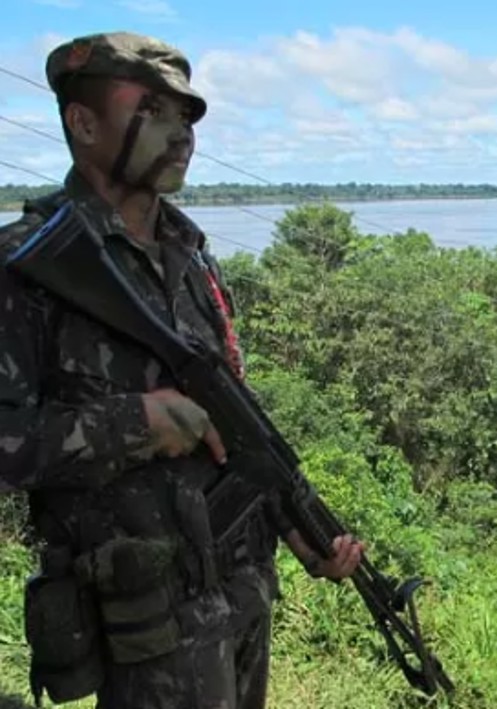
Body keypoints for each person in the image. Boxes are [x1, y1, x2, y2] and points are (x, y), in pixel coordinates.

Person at [0, 31, 365, 709]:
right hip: (141, 626)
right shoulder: (28, 266)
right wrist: (135, 424)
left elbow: (234, 430)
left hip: (242, 601)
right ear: (83, 123)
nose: (182, 134)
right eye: (154, 111)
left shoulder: (193, 260)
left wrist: (305, 536)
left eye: (188, 117)